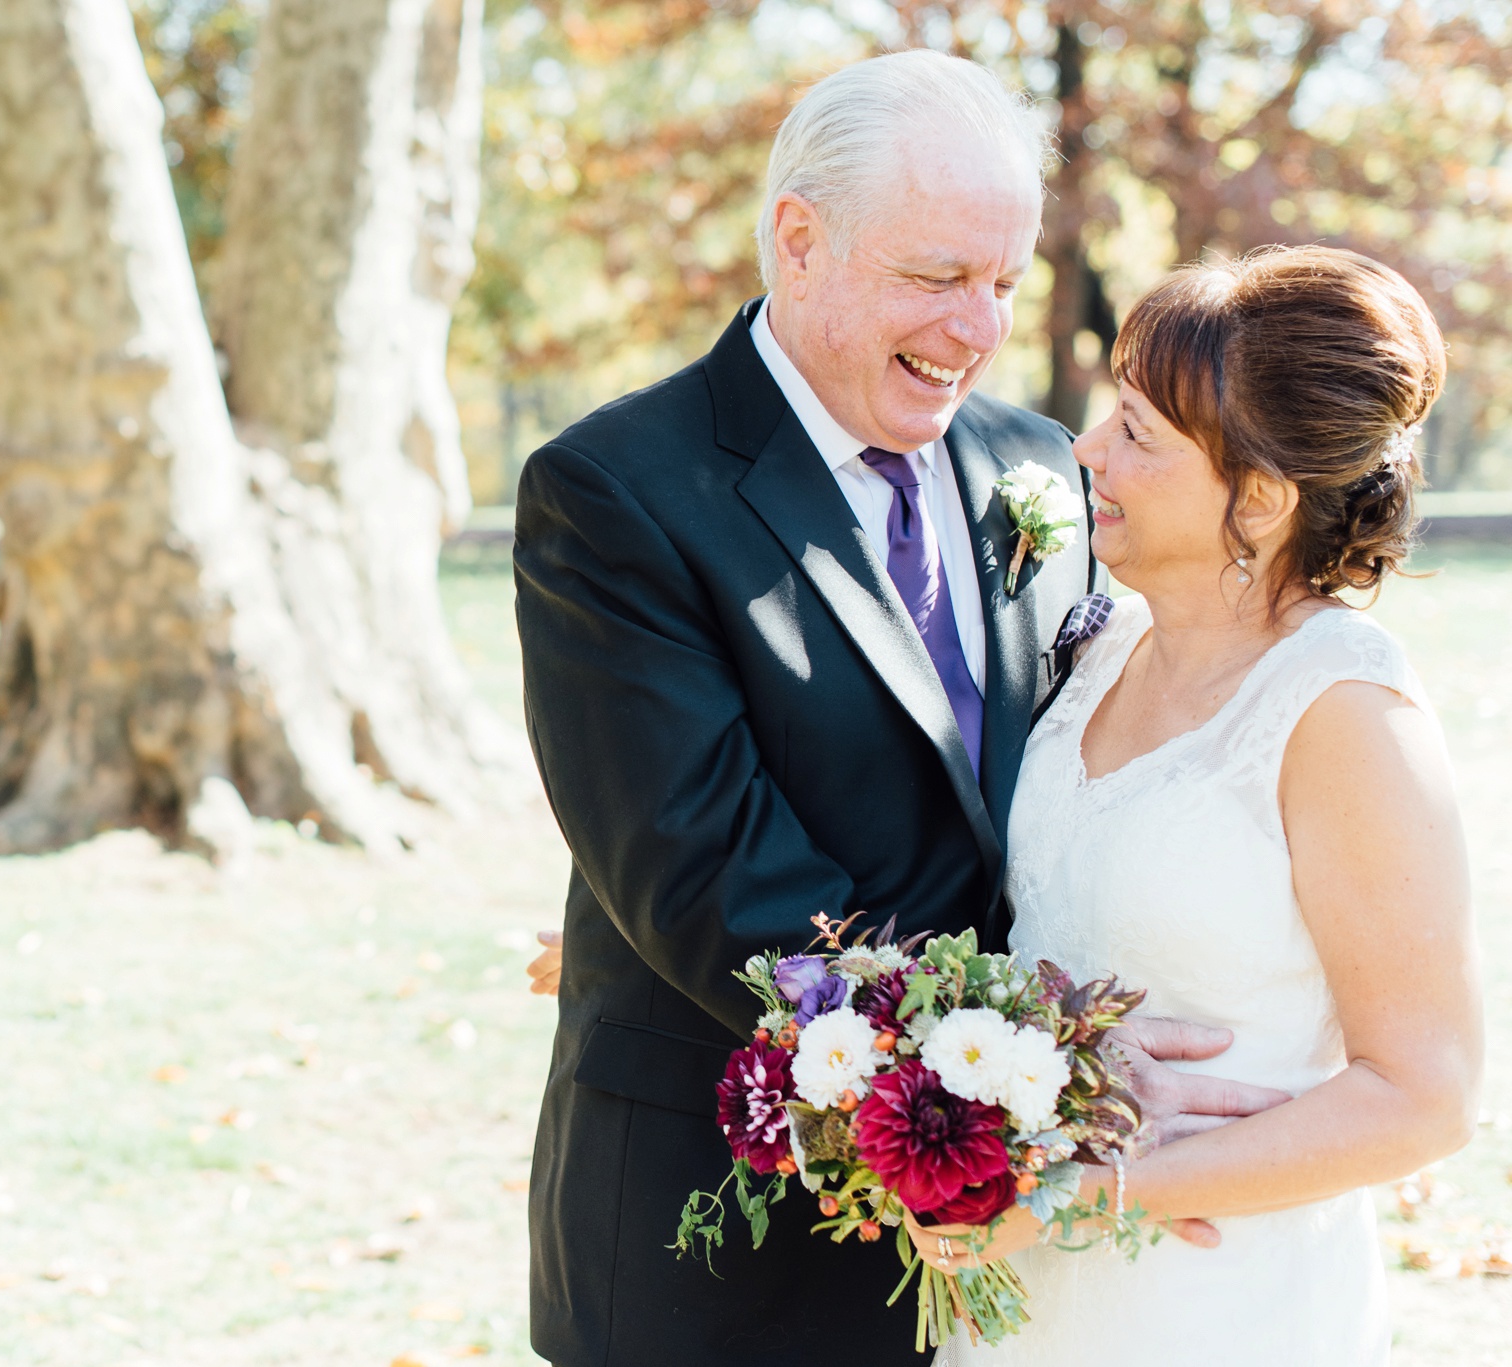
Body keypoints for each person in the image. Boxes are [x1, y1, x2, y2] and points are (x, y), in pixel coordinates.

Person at [513, 50, 1285, 1367]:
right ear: (798, 242)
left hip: (1025, 1261)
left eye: (1002, 282)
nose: (976, 331)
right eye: (936, 278)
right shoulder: (614, 494)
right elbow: (710, 878)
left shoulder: (1034, 461)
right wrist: (1055, 1058)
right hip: (723, 1254)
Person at [908, 246, 1481, 1365]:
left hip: (1220, 1306)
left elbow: (1424, 1093)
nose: (1084, 452)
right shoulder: (1100, 644)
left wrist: (1092, 1195)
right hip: (1025, 1295)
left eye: (1135, 432)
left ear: (1258, 500)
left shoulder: (1341, 711)